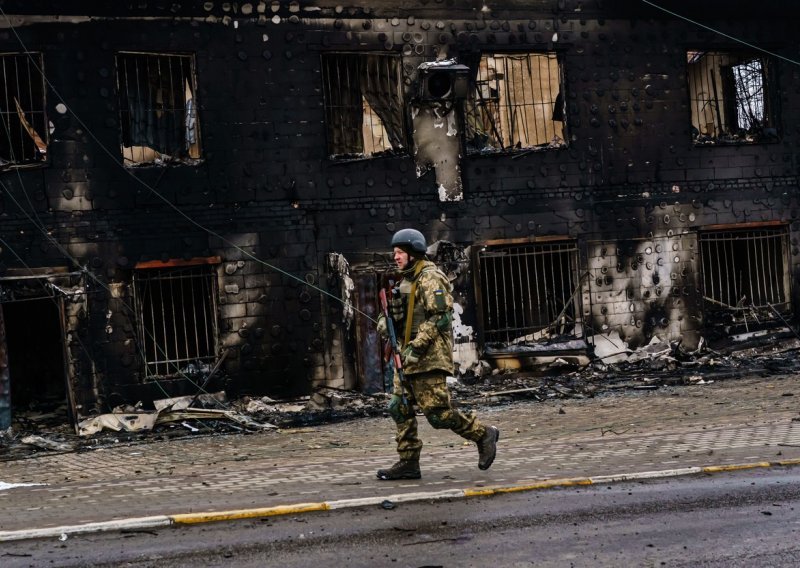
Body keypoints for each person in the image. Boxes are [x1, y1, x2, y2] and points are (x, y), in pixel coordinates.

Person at [375, 228, 499, 480]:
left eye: (400, 252)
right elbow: (394, 315)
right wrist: (383, 323)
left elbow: (441, 317)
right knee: (399, 407)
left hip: (427, 359)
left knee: (438, 414)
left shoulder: (430, 278)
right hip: (406, 358)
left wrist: (417, 346)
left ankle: (483, 434)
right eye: (395, 252)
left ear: (412, 253)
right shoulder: (405, 281)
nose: (396, 257)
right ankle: (408, 461)